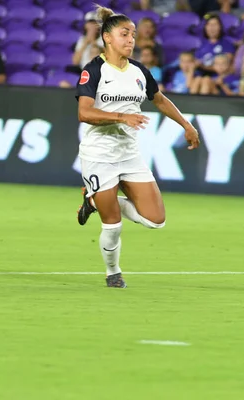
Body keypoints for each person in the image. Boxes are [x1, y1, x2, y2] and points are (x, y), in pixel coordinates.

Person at [75, 5, 200, 288]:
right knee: (113, 224)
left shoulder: (140, 71)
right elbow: (84, 113)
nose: (131, 39)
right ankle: (113, 272)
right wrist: (122, 116)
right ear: (107, 37)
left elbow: (159, 99)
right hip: (100, 154)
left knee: (156, 220)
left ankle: (92, 199)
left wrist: (187, 125)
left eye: (132, 34)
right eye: (124, 34)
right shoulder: (94, 70)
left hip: (129, 154)